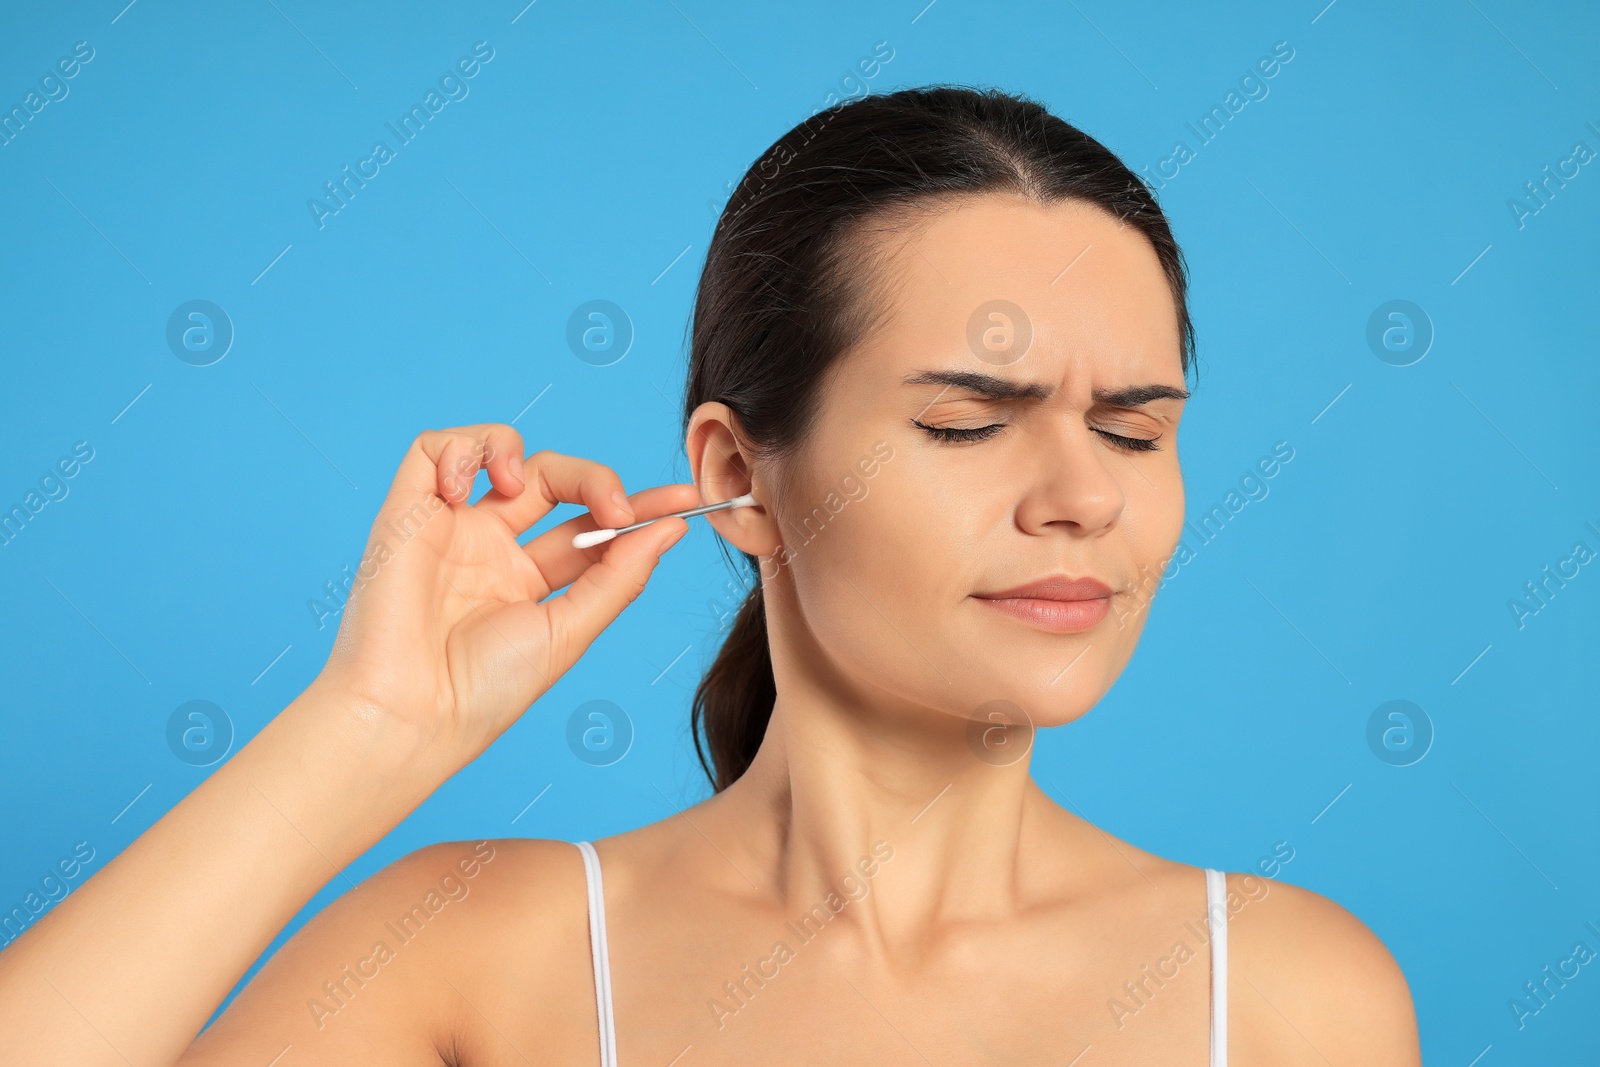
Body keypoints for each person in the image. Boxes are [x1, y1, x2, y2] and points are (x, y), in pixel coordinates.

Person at [0, 86, 1421, 1066]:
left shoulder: (1289, 996)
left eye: (1135, 428)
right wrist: (368, 731)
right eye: (967, 424)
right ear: (740, 475)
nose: (1084, 497)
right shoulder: (477, 956)